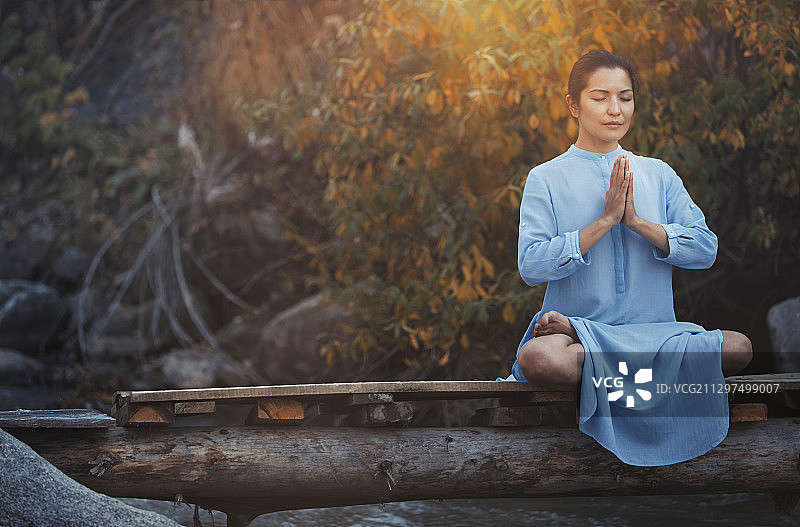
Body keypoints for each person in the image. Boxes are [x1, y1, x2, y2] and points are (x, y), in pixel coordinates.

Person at [507, 49, 753, 466]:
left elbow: (705, 248)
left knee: (738, 348)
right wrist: (604, 222)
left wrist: (637, 222)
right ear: (573, 104)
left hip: (652, 335)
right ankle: (603, 348)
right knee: (538, 357)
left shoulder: (658, 173)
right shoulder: (546, 178)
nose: (614, 110)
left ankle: (611, 369)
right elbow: (531, 266)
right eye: (600, 97)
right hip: (585, 340)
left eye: (625, 97)